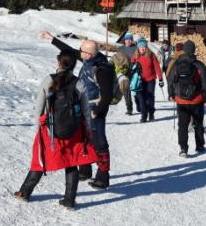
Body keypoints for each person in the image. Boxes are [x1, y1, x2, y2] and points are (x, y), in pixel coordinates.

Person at [14, 49, 99, 209]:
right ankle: (69, 200)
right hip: (74, 130)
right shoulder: (78, 82)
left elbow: (39, 107)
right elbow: (86, 109)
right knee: (72, 162)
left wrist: (39, 127)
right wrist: (88, 128)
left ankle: (24, 192)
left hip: (50, 129)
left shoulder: (49, 80)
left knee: (40, 160)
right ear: (74, 65)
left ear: (59, 62)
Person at [40, 31, 114, 189]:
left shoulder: (101, 69)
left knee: (99, 141)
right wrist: (52, 39)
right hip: (84, 108)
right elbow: (70, 51)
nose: (79, 52)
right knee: (83, 138)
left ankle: (103, 175)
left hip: (95, 109)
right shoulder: (89, 58)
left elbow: (107, 95)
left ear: (88, 54)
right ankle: (85, 169)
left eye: (81, 50)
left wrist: (98, 111)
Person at [167, 40, 206, 156]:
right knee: (198, 123)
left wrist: (171, 94)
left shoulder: (177, 64)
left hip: (181, 100)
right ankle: (200, 145)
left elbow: (171, 80)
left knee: (182, 125)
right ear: (193, 50)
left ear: (184, 50)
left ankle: (183, 148)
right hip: (197, 100)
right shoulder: (199, 65)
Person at [131, 37, 164, 123]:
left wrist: (160, 79)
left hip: (150, 79)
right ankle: (143, 115)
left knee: (150, 97)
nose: (142, 48)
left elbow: (157, 67)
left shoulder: (151, 55)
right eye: (141, 47)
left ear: (146, 47)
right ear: (138, 47)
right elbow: (131, 68)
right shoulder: (135, 56)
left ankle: (151, 113)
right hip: (139, 80)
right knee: (141, 98)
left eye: (144, 47)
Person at [118, 31, 137, 114]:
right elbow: (117, 59)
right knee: (126, 89)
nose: (128, 41)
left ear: (132, 40)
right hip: (124, 71)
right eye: (127, 39)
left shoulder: (136, 48)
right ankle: (129, 108)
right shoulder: (120, 49)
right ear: (124, 40)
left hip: (135, 71)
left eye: (130, 39)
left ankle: (139, 103)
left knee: (136, 89)